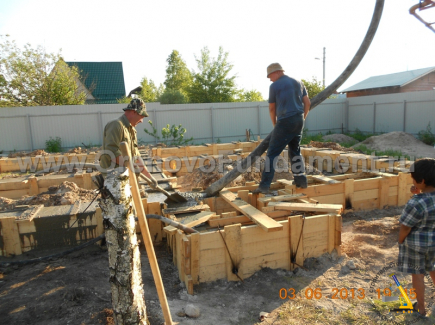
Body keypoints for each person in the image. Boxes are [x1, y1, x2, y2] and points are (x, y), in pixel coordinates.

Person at [253, 63, 310, 194]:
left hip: (285, 121)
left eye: (270, 75)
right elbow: (307, 103)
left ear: (278, 72)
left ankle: (264, 186)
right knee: (295, 150)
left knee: (272, 154)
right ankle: (301, 180)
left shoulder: (275, 86)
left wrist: (275, 124)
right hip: (298, 119)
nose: (269, 79)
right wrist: (303, 118)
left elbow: (272, 108)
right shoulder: (298, 82)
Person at [398, 158, 435, 317]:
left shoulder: (415, 202)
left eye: (414, 178)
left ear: (422, 181)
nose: (412, 181)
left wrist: (400, 240)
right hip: (433, 243)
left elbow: (406, 226)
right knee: (433, 268)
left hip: (416, 246)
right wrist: (419, 192)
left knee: (418, 275)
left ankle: (420, 308)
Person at [99, 98, 158, 187]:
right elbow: (111, 152)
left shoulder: (131, 130)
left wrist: (149, 177)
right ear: (133, 112)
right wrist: (131, 167)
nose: (142, 121)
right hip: (114, 179)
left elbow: (136, 157)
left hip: (127, 177)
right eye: (141, 116)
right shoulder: (116, 125)